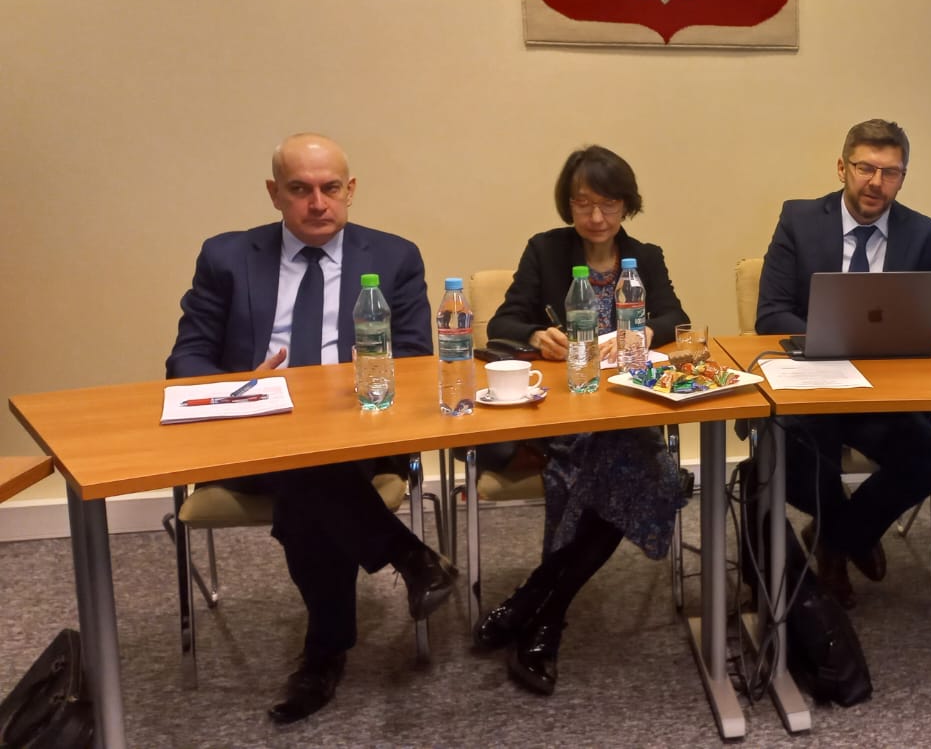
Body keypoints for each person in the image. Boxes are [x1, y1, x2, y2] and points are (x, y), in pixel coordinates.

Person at [165, 133, 457, 725]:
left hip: (358, 434)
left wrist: (360, 380)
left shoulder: (394, 257)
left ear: (351, 190)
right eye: (300, 189)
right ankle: (408, 556)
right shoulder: (226, 257)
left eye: (330, 188)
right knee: (305, 469)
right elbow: (186, 360)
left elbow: (415, 360)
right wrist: (241, 384)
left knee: (308, 479)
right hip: (254, 437)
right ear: (274, 193)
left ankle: (325, 652)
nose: (317, 203)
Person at [475, 144, 690, 695]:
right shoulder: (545, 251)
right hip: (562, 414)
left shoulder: (645, 257)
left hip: (626, 411)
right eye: (583, 204)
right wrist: (534, 334)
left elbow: (676, 317)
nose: (596, 217)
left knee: (623, 467)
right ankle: (543, 617)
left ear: (627, 205)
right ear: (568, 205)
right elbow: (502, 322)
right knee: (643, 474)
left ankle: (537, 606)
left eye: (609, 204)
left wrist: (646, 331)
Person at [755, 118, 931, 608]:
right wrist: (834, 339)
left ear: (903, 178)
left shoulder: (923, 233)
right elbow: (771, 314)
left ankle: (837, 538)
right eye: (866, 168)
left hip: (879, 392)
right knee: (798, 457)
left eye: (890, 172)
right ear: (842, 167)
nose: (876, 182)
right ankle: (844, 541)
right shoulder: (799, 219)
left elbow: (913, 319)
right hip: (811, 382)